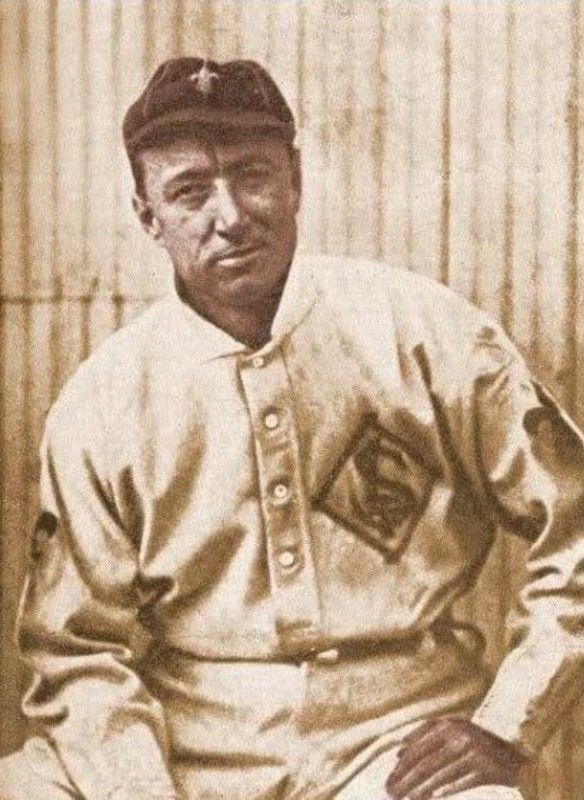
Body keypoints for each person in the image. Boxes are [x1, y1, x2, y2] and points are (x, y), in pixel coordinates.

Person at [1, 56, 583, 800]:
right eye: (190, 191)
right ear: (148, 215)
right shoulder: (104, 399)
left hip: (394, 743)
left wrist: (506, 722)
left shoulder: (426, 333)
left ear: (296, 181)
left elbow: (576, 521)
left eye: (252, 175)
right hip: (182, 750)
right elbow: (76, 651)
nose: (231, 215)